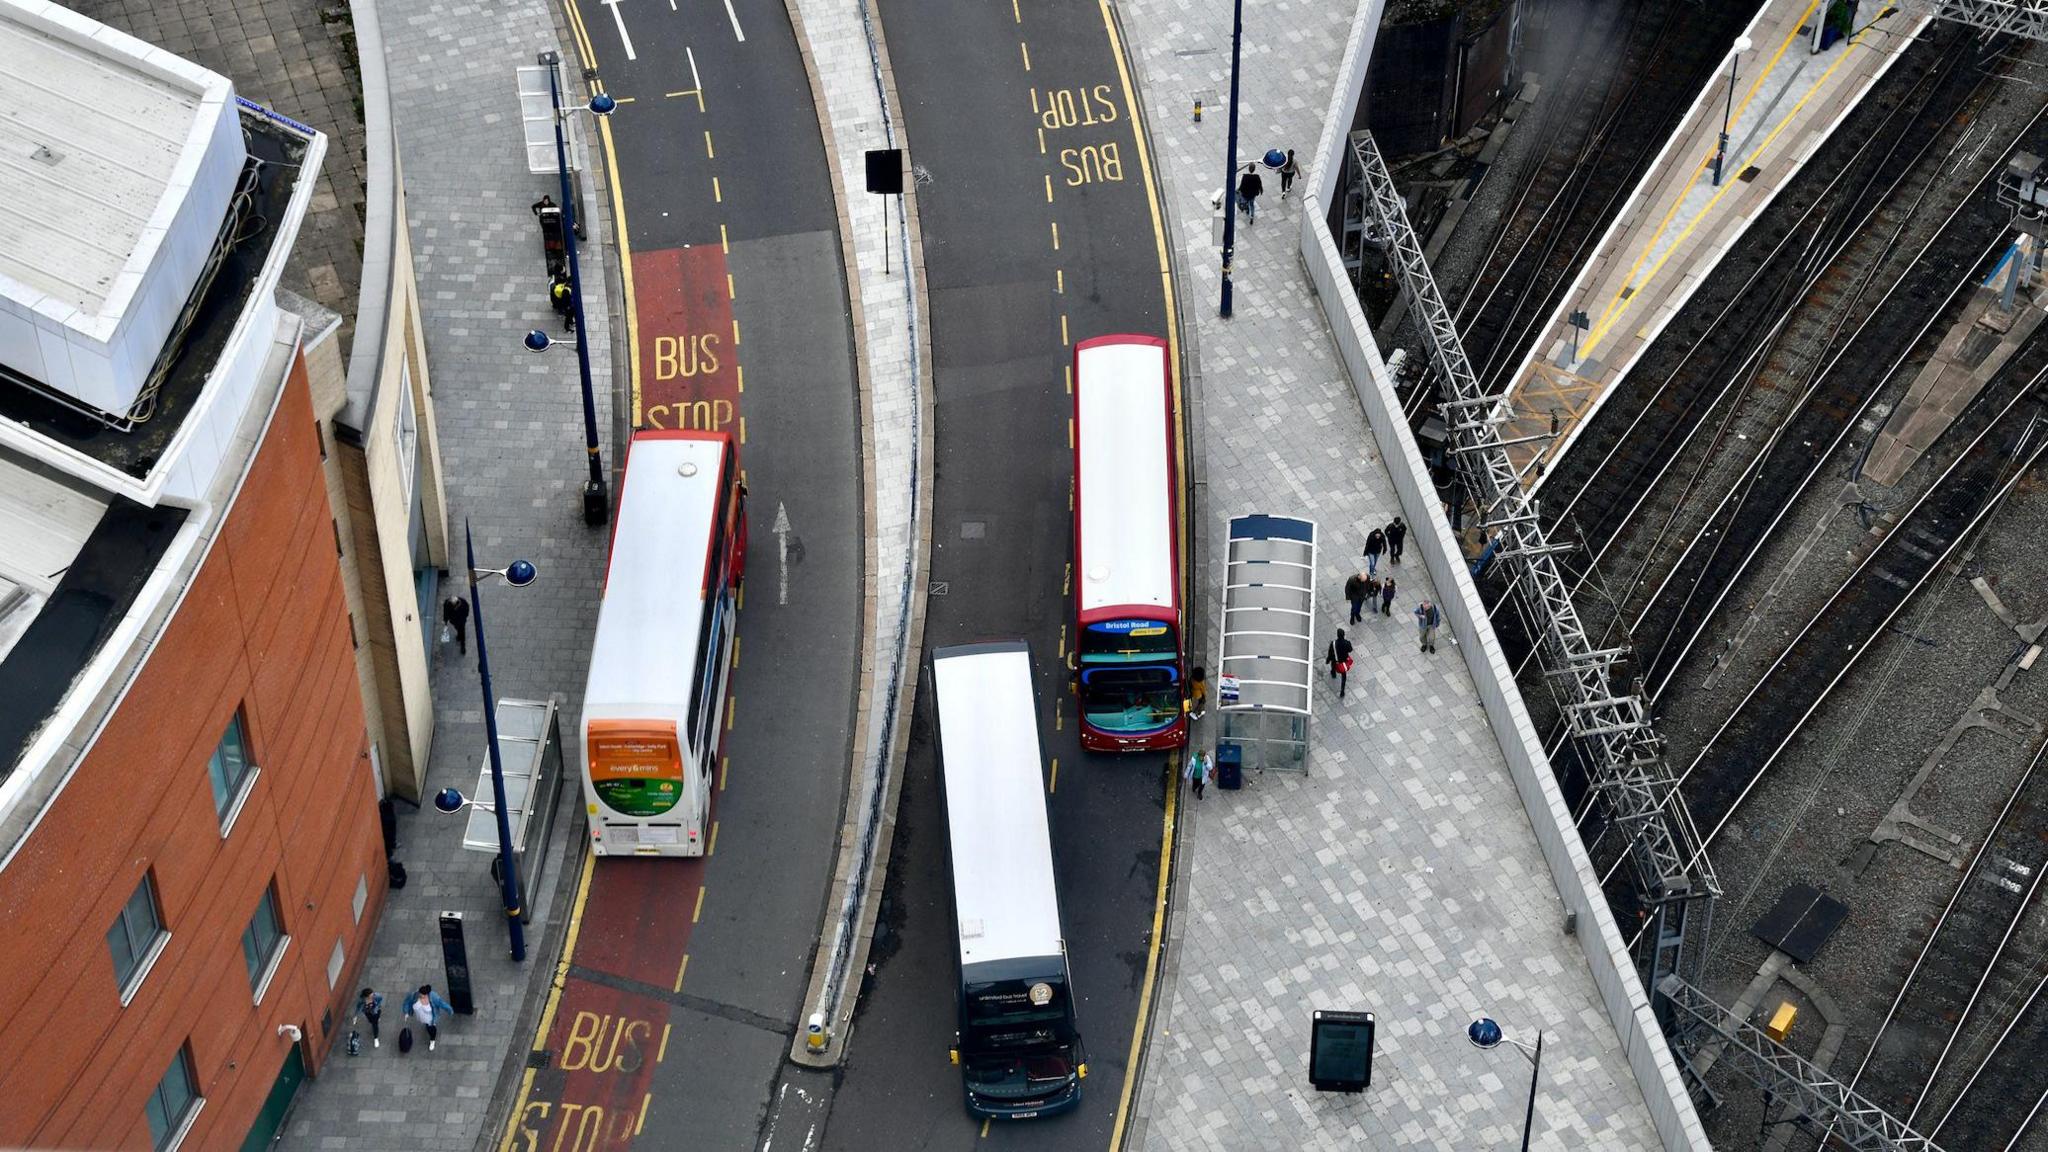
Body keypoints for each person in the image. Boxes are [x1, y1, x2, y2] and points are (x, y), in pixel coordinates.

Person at [409, 985, 455, 1052]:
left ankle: (432, 1039)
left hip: (430, 1017)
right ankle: (428, 1027)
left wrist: (449, 1010)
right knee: (427, 1025)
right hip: (422, 1015)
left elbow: (441, 1003)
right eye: (420, 995)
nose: (421, 997)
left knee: (431, 1028)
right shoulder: (417, 995)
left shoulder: (433, 997)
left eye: (422, 996)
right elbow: (410, 1001)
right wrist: (408, 1011)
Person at [1326, 628, 1355, 697]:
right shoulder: (1347, 643)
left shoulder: (1333, 643)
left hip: (1335, 660)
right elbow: (1350, 650)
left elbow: (1330, 652)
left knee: (1333, 666)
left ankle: (1333, 673)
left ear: (1337, 635)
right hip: (1343, 663)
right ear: (1344, 635)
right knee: (1344, 676)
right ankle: (1342, 691)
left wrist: (1328, 659)